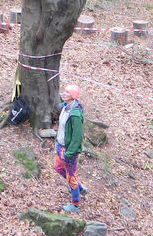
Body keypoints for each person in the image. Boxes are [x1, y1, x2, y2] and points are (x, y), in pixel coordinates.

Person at [54, 83, 87, 212]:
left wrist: (70, 153)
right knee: (57, 167)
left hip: (68, 150)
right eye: (64, 91)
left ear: (73, 96)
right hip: (60, 145)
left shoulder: (75, 114)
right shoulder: (66, 106)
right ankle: (80, 188)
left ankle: (75, 204)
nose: (63, 93)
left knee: (71, 176)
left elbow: (77, 137)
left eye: (67, 92)